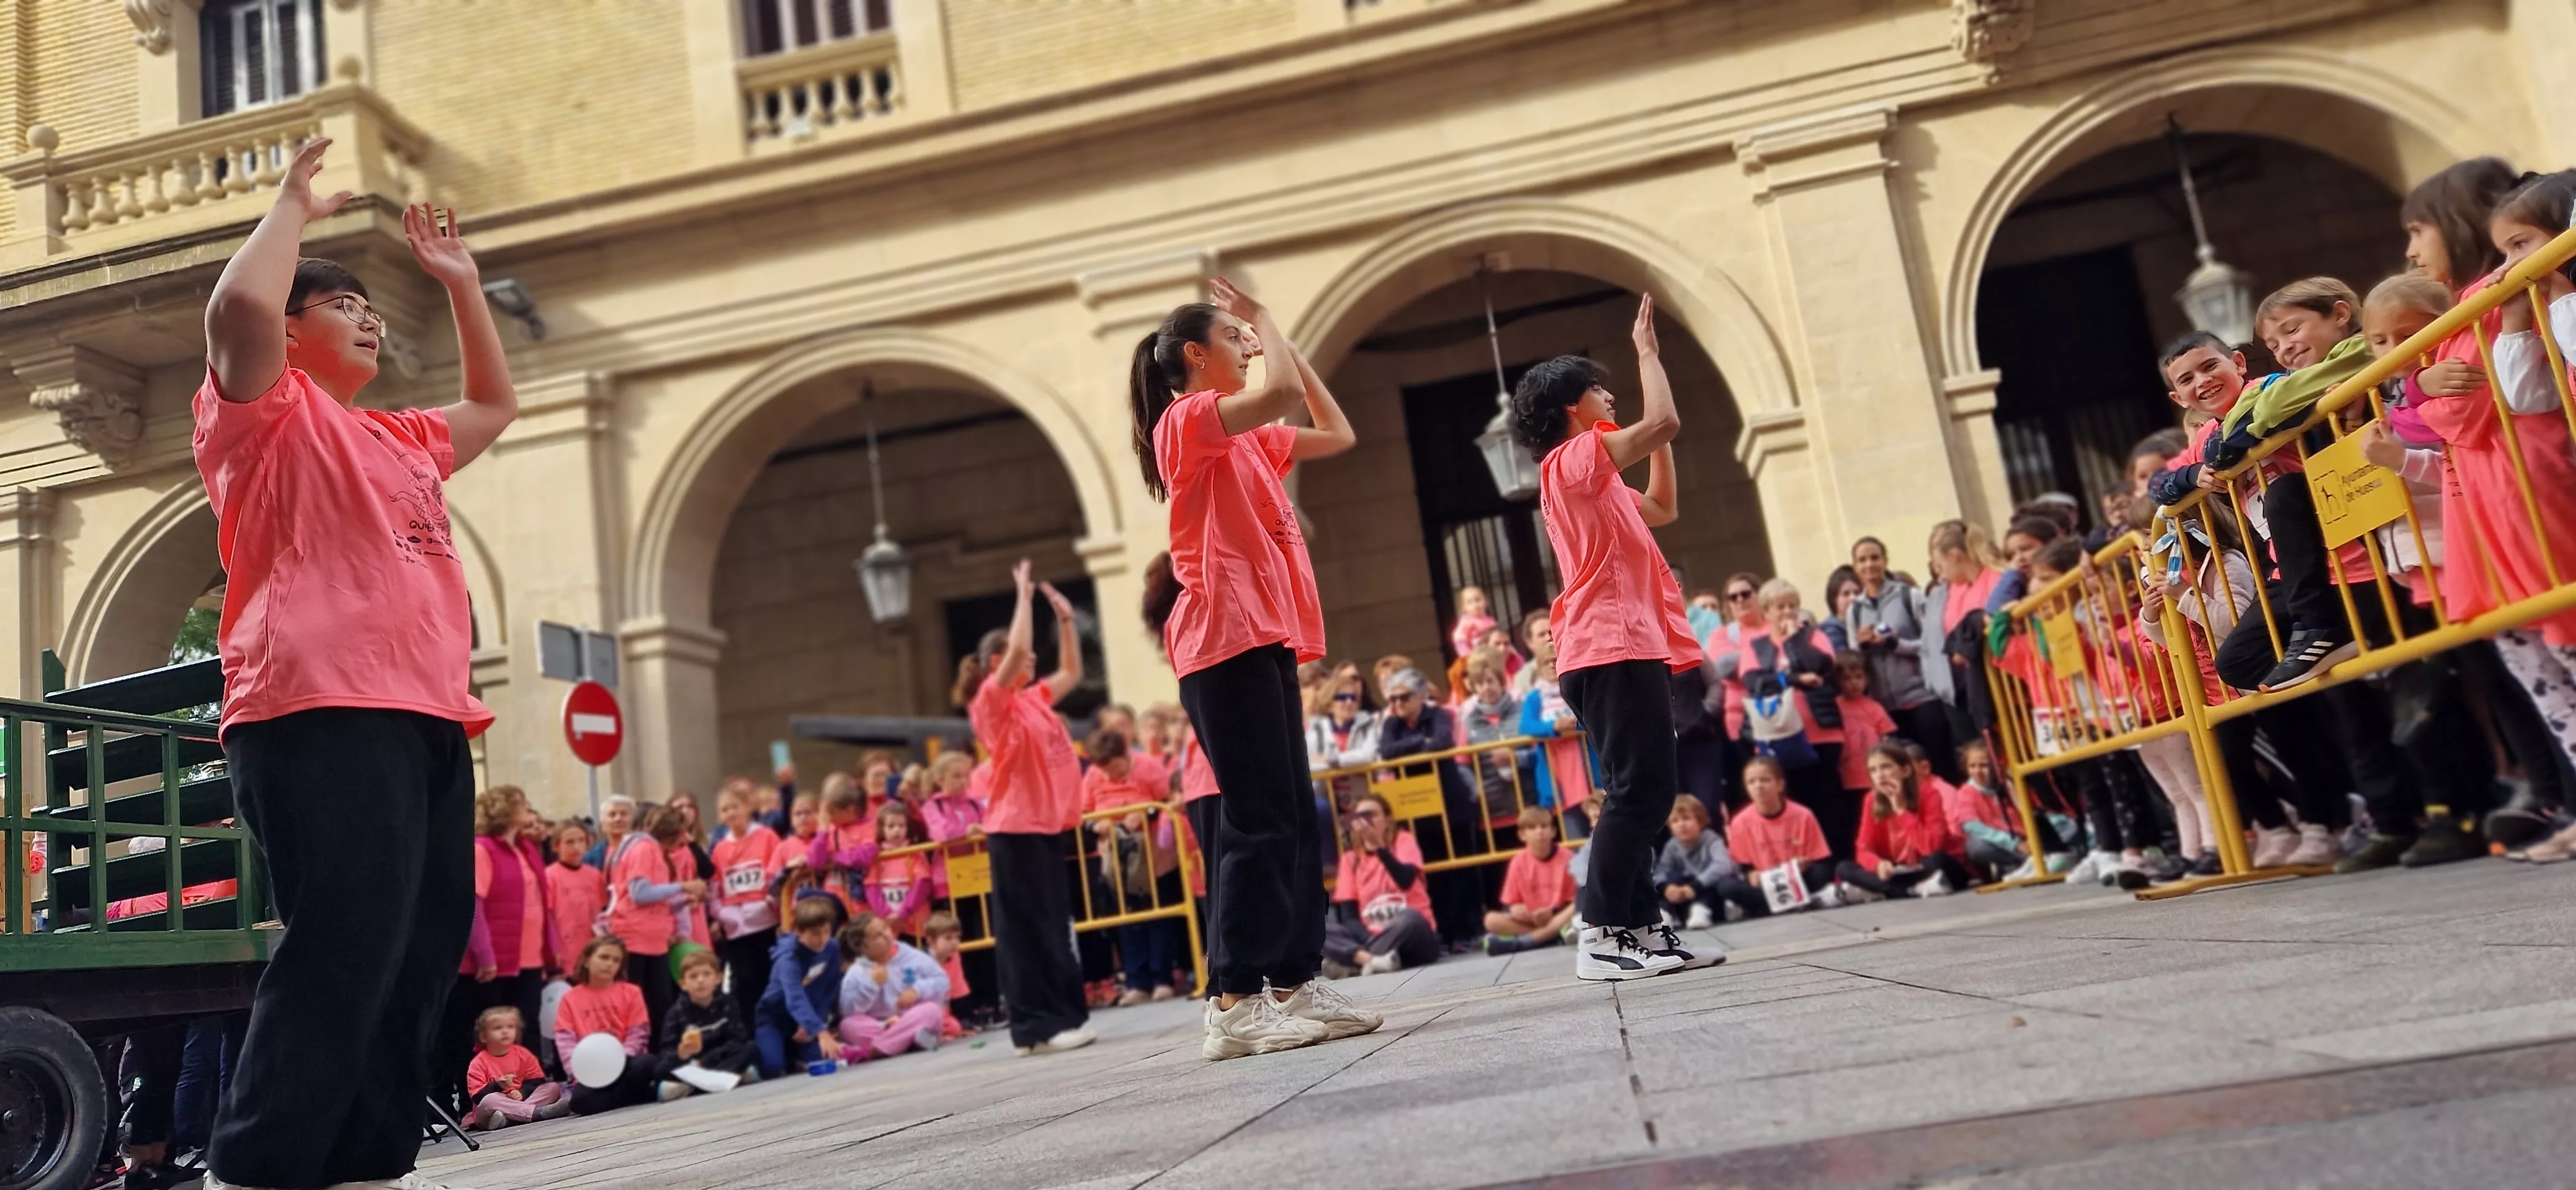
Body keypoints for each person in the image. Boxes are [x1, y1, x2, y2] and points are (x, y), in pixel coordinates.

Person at [192, 135, 517, 1190]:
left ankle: (368, 1160)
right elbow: (238, 314)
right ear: (295, 329)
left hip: (427, 713)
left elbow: (494, 408)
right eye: (348, 305)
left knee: (420, 948)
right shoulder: (265, 412)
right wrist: (289, 206)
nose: (372, 318)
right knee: (343, 937)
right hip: (315, 705)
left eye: (378, 308)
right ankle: (251, 1165)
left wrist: (463, 289)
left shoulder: (403, 437)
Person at [1132, 280, 1381, 1059]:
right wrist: (1269, 322)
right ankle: (1232, 1002)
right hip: (1220, 640)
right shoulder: (1187, 421)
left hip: (1262, 634)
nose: (1247, 348)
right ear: (1194, 356)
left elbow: (1333, 429)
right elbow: (1275, 389)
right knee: (1256, 818)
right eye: (1231, 339)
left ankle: (1294, 982)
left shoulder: (1245, 437)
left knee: (1293, 818)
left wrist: (1276, 341)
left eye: (1250, 338)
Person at [1507, 294, 1716, 980]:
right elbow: (1662, 418)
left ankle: (1640, 928)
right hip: (1607, 648)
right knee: (1638, 792)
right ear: (1572, 405)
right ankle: (1600, 931)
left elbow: (1664, 508)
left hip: (1624, 647)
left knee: (1646, 790)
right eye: (1597, 387)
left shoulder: (1592, 476)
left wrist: (1660, 444)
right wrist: (1649, 354)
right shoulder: (1571, 460)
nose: (1609, 393)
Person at [961, 559, 1101, 1057]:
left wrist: (1066, 620)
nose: (1032, 663)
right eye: (1024, 659)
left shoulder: (1034, 699)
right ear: (999, 661)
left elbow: (1073, 671)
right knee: (1031, 929)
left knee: (1050, 923)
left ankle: (1050, 1021)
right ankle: (1040, 1025)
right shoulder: (991, 702)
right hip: (1014, 829)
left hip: (1042, 827)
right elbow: (1018, 646)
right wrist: (1022, 594)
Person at [437, 785, 553, 1118]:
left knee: (524, 1028)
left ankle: (525, 1099)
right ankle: (482, 1102)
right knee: (489, 1037)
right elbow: (474, 906)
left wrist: (551, 953)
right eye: (522, 805)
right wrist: (485, 955)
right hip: (495, 962)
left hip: (527, 957)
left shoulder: (525, 850)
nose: (528, 810)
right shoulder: (484, 850)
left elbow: (541, 905)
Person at [1378, 666, 1492, 947]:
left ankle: (1468, 931)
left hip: (1452, 803)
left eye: (1403, 698)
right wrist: (1421, 743)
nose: (1397, 705)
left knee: (1463, 869)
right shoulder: (1392, 723)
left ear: (1420, 696)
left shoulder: (1438, 714)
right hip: (1418, 808)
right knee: (1434, 871)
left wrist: (1414, 745)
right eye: (1392, 700)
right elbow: (1387, 750)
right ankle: (1445, 932)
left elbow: (1442, 741)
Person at [1742, 578, 1850, 860]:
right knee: (1793, 801)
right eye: (1780, 607)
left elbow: (1822, 665)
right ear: (1766, 611)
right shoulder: (1757, 646)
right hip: (1780, 735)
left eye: (1793, 606)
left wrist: (1793, 641)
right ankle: (1805, 867)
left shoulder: (1813, 636)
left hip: (1820, 732)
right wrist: (1795, 679)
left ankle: (1837, 865)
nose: (1788, 612)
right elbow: (1754, 681)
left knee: (1827, 800)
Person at [1083, 728, 1185, 1005]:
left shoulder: (1147, 767)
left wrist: (1144, 814)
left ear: (1125, 755)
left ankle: (1162, 977)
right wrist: (1097, 824)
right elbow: (1085, 813)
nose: (1111, 774)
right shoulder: (1093, 776)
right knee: (1128, 921)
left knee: (1157, 917)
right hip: (1117, 860)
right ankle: (1136, 981)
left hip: (1151, 857)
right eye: (1105, 769)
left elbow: (1167, 801)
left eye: (1115, 766)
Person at [1845, 538, 1943, 775]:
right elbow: (1852, 661)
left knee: (1937, 763)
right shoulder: (1854, 610)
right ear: (1856, 566)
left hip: (1922, 696)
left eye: (1875, 558)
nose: (1870, 565)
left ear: (1885, 560)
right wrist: (1863, 646)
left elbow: (1932, 643)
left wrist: (1896, 644)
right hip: (1885, 707)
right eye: (1863, 560)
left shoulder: (1910, 596)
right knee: (1903, 773)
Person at [607, 804, 701, 1034]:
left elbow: (656, 901)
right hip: (636, 940)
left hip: (654, 941)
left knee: (660, 1003)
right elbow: (639, 894)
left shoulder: (655, 852)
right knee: (644, 1004)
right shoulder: (644, 849)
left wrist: (682, 900)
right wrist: (682, 886)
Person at [1839, 743, 1975, 899]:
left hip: (1929, 864)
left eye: (1886, 767)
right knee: (1844, 868)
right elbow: (1863, 848)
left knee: (1935, 861)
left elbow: (1931, 847)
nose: (1880, 775)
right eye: (1873, 770)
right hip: (1899, 869)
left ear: (1905, 771)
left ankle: (1880, 890)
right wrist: (1877, 864)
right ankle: (1913, 890)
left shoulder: (1929, 794)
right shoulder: (1871, 800)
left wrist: (1901, 810)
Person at [1326, 793, 1442, 976]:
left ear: (1387, 820)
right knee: (1319, 926)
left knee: (1411, 918)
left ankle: (1354, 961)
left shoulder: (1403, 841)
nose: (1366, 821)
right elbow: (1349, 917)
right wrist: (1371, 939)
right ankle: (1372, 961)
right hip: (1373, 936)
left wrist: (1379, 847)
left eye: (1372, 815)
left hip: (1412, 937)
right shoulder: (1351, 859)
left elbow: (1406, 880)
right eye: (1361, 817)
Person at [554, 936, 658, 1115]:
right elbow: (565, 1042)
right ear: (587, 960)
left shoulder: (631, 992)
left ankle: (621, 1095)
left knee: (647, 1064)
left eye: (616, 960)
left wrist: (618, 1061)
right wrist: (578, 1070)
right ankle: (642, 1095)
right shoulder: (569, 998)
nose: (609, 964)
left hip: (627, 1063)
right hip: (592, 1071)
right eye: (604, 957)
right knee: (580, 1102)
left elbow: (638, 1033)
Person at [1725, 757, 1843, 910]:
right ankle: (1801, 901)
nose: (1758, 786)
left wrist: (1804, 864)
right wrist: (1751, 875)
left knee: (1822, 872)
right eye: (1752, 782)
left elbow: (1820, 859)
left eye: (1765, 780)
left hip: (1798, 877)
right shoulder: (1739, 822)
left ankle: (1771, 905)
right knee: (1726, 886)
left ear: (1780, 785)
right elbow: (1742, 865)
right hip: (1765, 881)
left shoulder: (1803, 815)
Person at [1515, 614, 1598, 831]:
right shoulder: (1535, 697)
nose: (1552, 667)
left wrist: (1575, 725)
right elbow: (1526, 726)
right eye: (1546, 663)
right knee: (1573, 832)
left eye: (1555, 661)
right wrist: (1553, 727)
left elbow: (1593, 716)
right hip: (1558, 771)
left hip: (1588, 766)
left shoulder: (1577, 689)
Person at [710, 784, 783, 1023]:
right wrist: (722, 914)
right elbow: (716, 888)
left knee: (770, 978)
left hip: (765, 922)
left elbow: (777, 874)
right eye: (724, 809)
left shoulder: (766, 836)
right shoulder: (719, 849)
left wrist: (770, 904)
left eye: (735, 807)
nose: (731, 813)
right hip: (736, 928)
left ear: (747, 807)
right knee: (745, 983)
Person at [835, 912, 952, 1061]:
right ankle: (909, 1042)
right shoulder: (857, 971)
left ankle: (874, 1050)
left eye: (885, 928)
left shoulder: (910, 955)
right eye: (877, 936)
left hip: (910, 1016)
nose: (886, 935)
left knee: (932, 1010)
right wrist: (871, 985)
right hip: (881, 1024)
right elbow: (849, 1011)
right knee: (847, 1026)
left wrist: (917, 991)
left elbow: (942, 980)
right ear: (864, 948)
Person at [753, 896, 848, 1077]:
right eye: (814, 934)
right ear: (799, 932)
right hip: (775, 1017)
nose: (822, 939)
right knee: (773, 1067)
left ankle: (796, 1055)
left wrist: (815, 1023)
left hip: (805, 1017)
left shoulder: (832, 948)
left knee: (824, 1061)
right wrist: (819, 1030)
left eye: (826, 932)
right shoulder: (789, 958)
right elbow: (794, 997)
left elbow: (829, 987)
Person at [652, 950, 755, 1102]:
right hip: (691, 1065)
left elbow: (738, 1039)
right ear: (683, 984)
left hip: (718, 1059)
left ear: (718, 978)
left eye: (707, 974)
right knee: (660, 1069)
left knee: (751, 1048)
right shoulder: (675, 1013)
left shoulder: (728, 1003)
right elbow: (666, 1052)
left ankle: (693, 1086)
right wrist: (681, 1054)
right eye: (693, 976)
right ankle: (730, 1078)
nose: (701, 981)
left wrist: (706, 1062)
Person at [1481, 808, 1576, 955]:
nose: (1540, 832)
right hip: (1533, 919)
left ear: (1553, 831)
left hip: (1558, 916)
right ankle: (1548, 937)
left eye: (1544, 826)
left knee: (1576, 909)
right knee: (1491, 920)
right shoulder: (1517, 862)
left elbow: (1574, 900)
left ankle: (1524, 942)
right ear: (1522, 835)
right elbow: (1511, 903)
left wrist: (1551, 912)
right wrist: (1518, 910)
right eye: (1532, 828)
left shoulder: (1568, 858)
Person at [1654, 794, 1760, 926]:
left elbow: (1723, 865)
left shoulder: (1711, 839)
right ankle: (1665, 913)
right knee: (1670, 878)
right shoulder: (1672, 846)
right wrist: (1667, 888)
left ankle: (1701, 909)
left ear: (1700, 821)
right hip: (1684, 893)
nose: (1681, 825)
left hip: (1705, 890)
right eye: (1675, 821)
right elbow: (1661, 871)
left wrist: (1696, 886)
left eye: (1686, 819)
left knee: (1719, 882)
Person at [463, 1006, 569, 1131]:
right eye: (498, 1028)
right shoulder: (478, 1063)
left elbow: (537, 1081)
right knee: (490, 1100)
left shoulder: (523, 1054)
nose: (505, 1031)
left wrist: (522, 1093)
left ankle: (511, 1119)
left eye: (510, 1027)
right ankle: (538, 1114)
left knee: (553, 1087)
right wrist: (498, 1085)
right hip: (493, 1110)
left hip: (521, 1102)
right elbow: (477, 1097)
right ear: (484, 1037)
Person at [860, 802, 939, 939]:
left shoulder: (915, 854)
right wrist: (887, 915)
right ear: (881, 829)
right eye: (891, 826)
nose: (897, 830)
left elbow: (922, 884)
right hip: (888, 927)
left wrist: (902, 914)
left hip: (915, 926)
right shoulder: (877, 858)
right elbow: (871, 887)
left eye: (901, 826)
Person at [1831, 653, 1897, 812]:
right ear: (1838, 681)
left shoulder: (1874, 707)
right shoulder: (1835, 707)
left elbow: (1887, 738)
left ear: (1867, 679)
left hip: (1874, 777)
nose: (1854, 683)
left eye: (1859, 677)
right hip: (1846, 777)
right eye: (1847, 678)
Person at [544, 822, 607, 984]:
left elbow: (602, 911)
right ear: (557, 846)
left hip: (592, 946)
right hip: (566, 950)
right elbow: (548, 917)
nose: (577, 847)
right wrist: (553, 951)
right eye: (570, 842)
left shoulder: (595, 875)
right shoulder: (550, 876)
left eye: (581, 841)